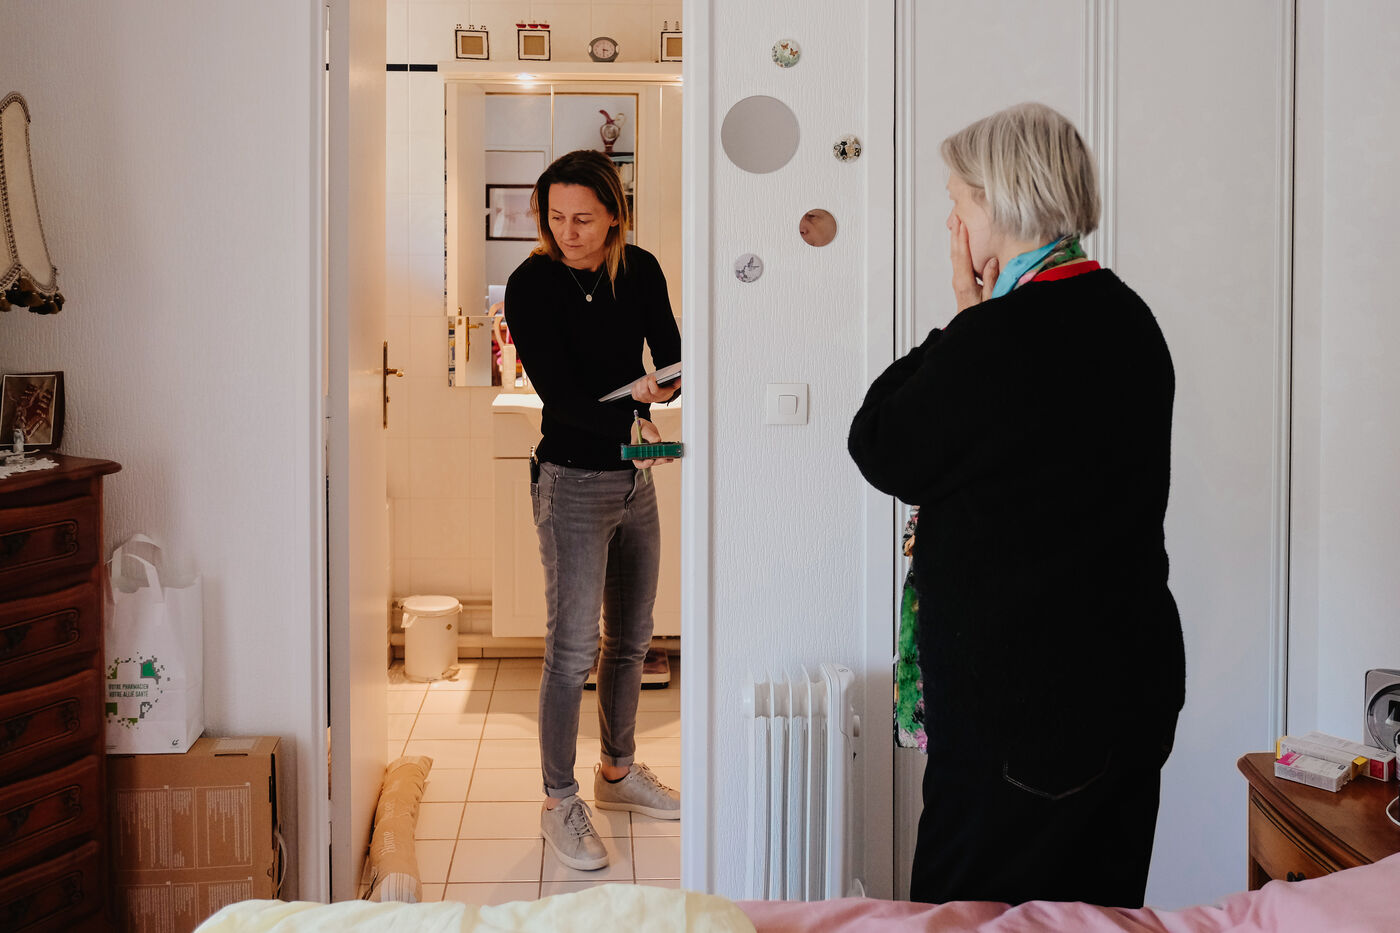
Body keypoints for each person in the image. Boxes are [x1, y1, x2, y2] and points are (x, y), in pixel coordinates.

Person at [847, 102, 1185, 908]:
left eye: (959, 199)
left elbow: (881, 442)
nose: (952, 221)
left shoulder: (1001, 337)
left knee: (970, 914)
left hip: (1026, 720)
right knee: (1095, 913)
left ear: (1001, 202)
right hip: (1122, 695)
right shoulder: (1129, 316)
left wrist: (965, 317)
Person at [504, 149, 681, 871]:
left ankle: (617, 771)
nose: (567, 232)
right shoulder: (530, 285)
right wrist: (633, 413)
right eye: (555, 217)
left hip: (633, 479)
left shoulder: (639, 269)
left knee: (632, 639)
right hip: (571, 482)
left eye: (583, 218)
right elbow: (561, 396)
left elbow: (670, 354)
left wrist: (663, 388)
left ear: (614, 215)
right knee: (572, 648)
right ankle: (558, 801)